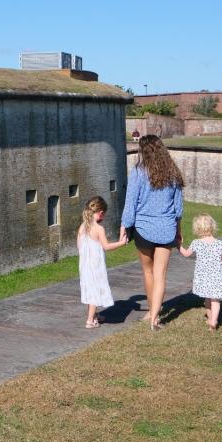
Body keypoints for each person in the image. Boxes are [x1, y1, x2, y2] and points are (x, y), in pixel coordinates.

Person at [120, 134, 185, 330]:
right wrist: (178, 231)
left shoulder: (138, 172)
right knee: (160, 275)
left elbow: (130, 203)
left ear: (143, 151)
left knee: (148, 272)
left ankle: (151, 312)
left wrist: (125, 225)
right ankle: (156, 316)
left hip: (143, 229)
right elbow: (178, 209)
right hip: (166, 229)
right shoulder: (173, 173)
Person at [77, 195, 129, 328]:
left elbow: (79, 246)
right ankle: (90, 321)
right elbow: (106, 247)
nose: (103, 217)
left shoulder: (83, 227)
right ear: (100, 213)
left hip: (85, 265)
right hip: (95, 265)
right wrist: (121, 243)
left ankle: (94, 315)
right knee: (95, 291)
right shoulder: (99, 229)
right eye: (103, 214)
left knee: (90, 289)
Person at [180, 214, 222, 330]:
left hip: (204, 277)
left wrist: (177, 244)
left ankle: (212, 320)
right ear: (213, 226)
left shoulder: (196, 243)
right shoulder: (221, 244)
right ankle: (212, 321)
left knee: (207, 299)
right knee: (215, 300)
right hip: (218, 276)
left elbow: (186, 254)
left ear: (197, 229)